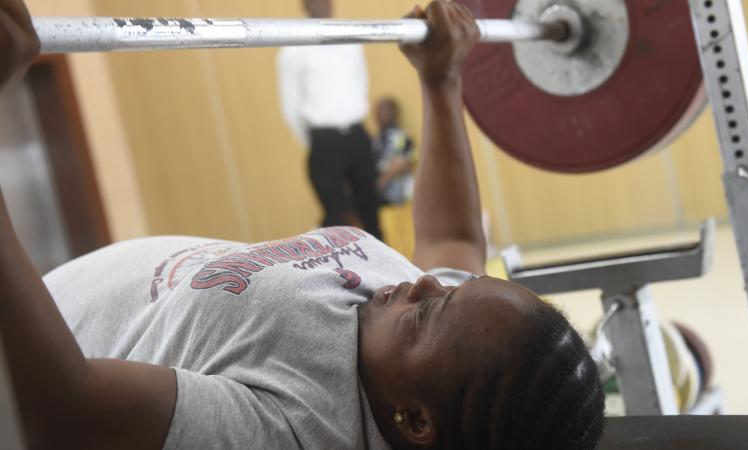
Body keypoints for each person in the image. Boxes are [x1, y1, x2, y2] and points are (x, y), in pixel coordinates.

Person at [0, 1, 604, 449]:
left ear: (416, 420)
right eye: (451, 289)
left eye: (429, 313)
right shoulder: (442, 331)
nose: (424, 283)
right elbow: (456, 240)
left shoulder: (298, 429)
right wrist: (441, 79)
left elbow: (62, 411)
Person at [277, 0, 383, 240]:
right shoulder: (294, 48)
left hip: (357, 134)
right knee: (336, 218)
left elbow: (360, 82)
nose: (324, 4)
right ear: (305, 5)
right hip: (324, 140)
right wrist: (316, 141)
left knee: (371, 211)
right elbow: (290, 106)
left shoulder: (349, 36)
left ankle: (387, 273)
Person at [373, 97, 416, 206]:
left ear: (395, 113)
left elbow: (403, 163)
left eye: (385, 111)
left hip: (396, 193)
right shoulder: (376, 139)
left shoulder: (402, 136)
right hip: (378, 196)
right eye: (379, 111)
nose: (380, 115)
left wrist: (382, 181)